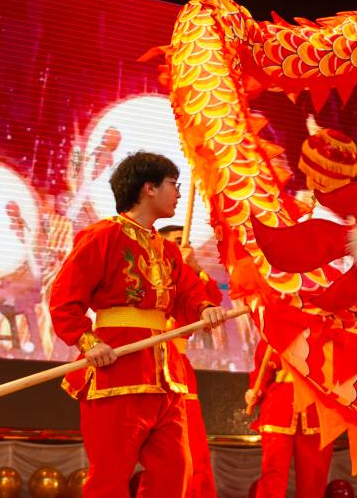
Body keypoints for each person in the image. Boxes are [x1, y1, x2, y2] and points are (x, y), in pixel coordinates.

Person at [49, 151, 226, 498]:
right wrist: (88, 342)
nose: (178, 193)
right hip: (118, 371)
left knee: (174, 475)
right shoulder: (103, 236)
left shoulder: (168, 250)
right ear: (149, 188)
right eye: (173, 184)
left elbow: (188, 295)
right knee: (109, 479)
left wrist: (204, 308)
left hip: (166, 378)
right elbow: (64, 299)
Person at [160, 224, 223, 498]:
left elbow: (212, 303)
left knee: (192, 446)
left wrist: (193, 269)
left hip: (177, 367)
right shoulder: (147, 272)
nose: (183, 247)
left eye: (185, 243)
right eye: (176, 242)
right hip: (141, 363)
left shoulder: (191, 277)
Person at [244, 340, 333, 498]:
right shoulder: (272, 333)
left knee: (313, 477)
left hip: (316, 409)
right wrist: (255, 392)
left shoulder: (325, 331)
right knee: (273, 473)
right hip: (279, 407)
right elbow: (262, 372)